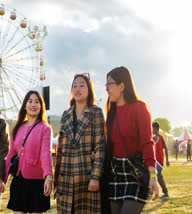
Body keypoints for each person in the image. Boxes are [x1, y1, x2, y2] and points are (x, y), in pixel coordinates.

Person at [105, 66, 159, 214]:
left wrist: (153, 176)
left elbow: (147, 142)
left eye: (109, 84)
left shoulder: (139, 108)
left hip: (135, 176)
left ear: (121, 86)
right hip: (115, 175)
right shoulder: (111, 113)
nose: (106, 89)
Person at [53, 74, 105, 213]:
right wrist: (56, 180)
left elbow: (100, 146)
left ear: (89, 89)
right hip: (66, 176)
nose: (77, 89)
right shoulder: (66, 114)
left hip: (86, 176)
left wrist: (95, 176)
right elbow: (60, 149)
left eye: (82, 85)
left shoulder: (96, 113)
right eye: (74, 86)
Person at [5, 90, 52, 214]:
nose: (33, 105)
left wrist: (48, 176)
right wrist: (3, 178)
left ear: (41, 107)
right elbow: (11, 154)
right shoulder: (17, 128)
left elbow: (45, 154)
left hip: (37, 182)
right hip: (18, 181)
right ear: (25, 105)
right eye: (30, 101)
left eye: (37, 102)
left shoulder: (45, 128)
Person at [152, 122, 170, 200]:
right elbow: (165, 148)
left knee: (158, 177)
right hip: (159, 161)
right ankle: (150, 191)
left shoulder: (155, 138)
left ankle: (165, 193)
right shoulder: (161, 137)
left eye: (152, 128)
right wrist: (167, 160)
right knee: (153, 175)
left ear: (156, 129)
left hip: (157, 161)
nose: (151, 130)